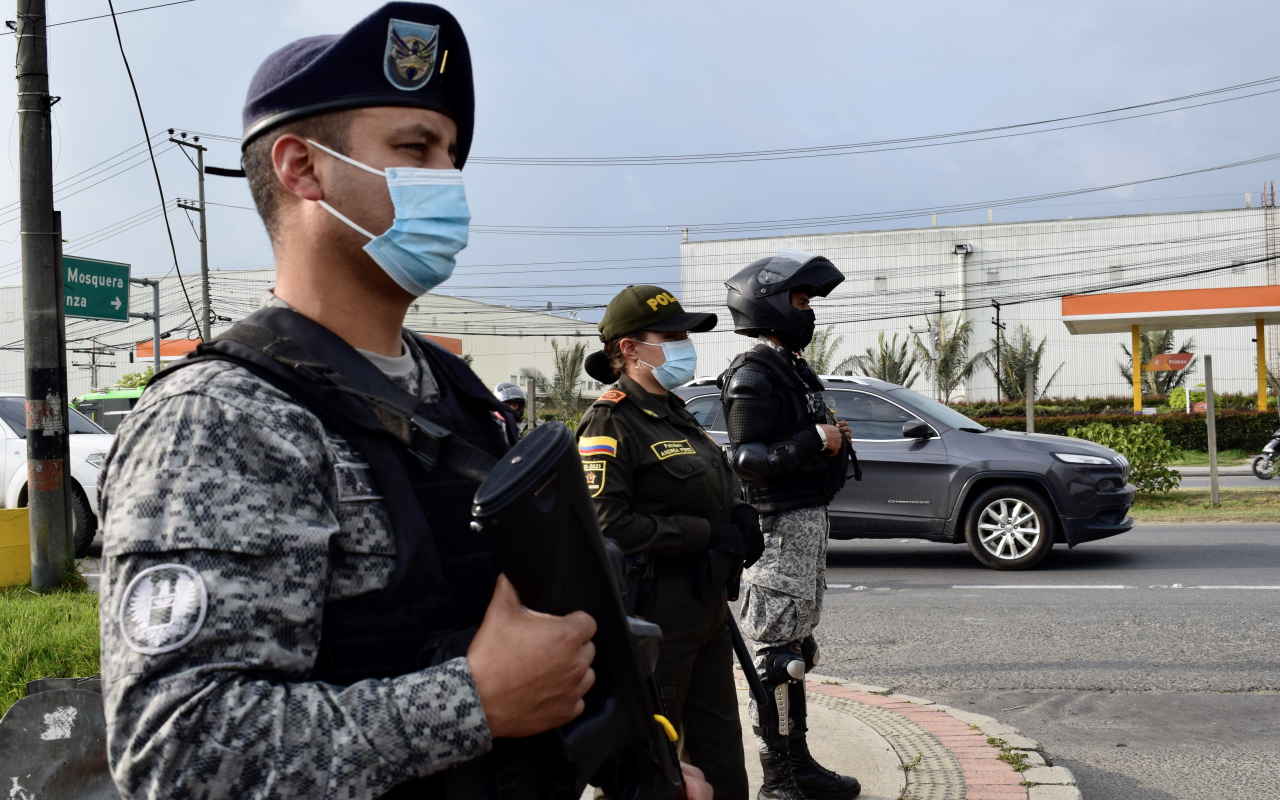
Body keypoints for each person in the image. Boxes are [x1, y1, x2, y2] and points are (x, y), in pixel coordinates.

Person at [96, 6, 711, 799]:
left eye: (452, 156)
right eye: (416, 150)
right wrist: (472, 702)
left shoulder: (456, 392)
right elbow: (177, 753)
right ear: (302, 168)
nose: (449, 180)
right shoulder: (220, 420)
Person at [578, 286, 763, 800]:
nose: (685, 345)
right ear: (630, 349)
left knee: (722, 764)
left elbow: (703, 486)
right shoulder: (611, 420)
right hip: (656, 610)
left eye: (686, 335)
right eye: (672, 336)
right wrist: (702, 533)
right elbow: (605, 524)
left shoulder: (676, 412)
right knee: (648, 766)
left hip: (706, 607)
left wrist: (738, 515)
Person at [720, 250, 860, 800]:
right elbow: (747, 459)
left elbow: (803, 446)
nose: (809, 311)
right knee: (778, 659)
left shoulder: (792, 368)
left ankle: (799, 765)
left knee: (798, 651)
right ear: (770, 304)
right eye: (800, 300)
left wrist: (832, 440)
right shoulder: (754, 373)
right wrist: (813, 439)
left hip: (806, 524)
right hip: (777, 531)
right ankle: (777, 779)